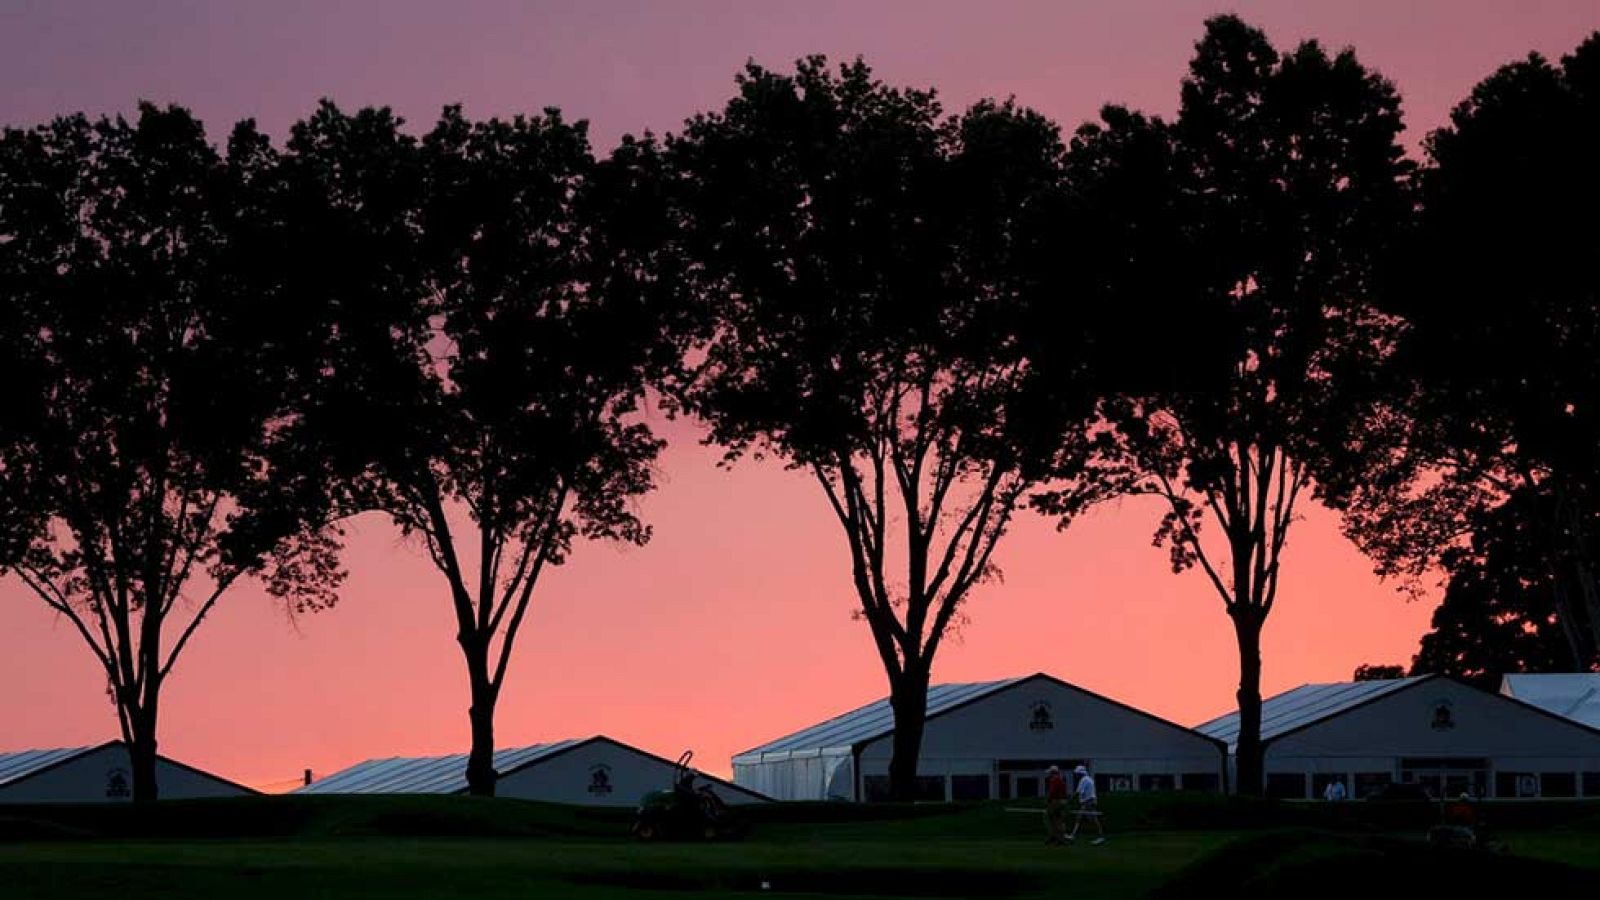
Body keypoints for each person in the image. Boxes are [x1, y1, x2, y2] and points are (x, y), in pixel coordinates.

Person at [1066, 764, 1106, 844]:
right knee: (1084, 818)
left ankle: (1100, 837)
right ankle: (1073, 835)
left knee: (1091, 819)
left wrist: (1069, 800)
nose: (1076, 775)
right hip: (1090, 801)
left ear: (1080, 773)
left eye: (1077, 773)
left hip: (1088, 802)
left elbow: (1078, 792)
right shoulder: (1089, 779)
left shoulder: (1083, 780)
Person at [1043, 765, 1069, 845]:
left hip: (1056, 802)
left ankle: (1054, 837)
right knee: (1060, 820)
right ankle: (1061, 838)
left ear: (1052, 773)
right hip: (1063, 802)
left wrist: (1048, 800)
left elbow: (1052, 792)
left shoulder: (1054, 780)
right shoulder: (1061, 779)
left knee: (1049, 818)